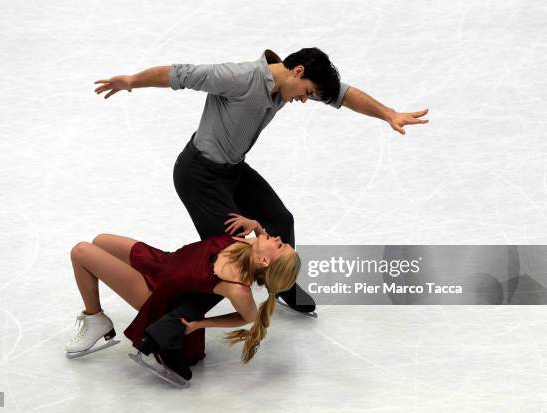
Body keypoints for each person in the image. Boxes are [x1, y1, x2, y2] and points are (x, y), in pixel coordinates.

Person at [92, 47, 429, 379]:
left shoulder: (286, 85)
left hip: (233, 170)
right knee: (227, 263)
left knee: (280, 220)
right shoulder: (240, 77)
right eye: (307, 92)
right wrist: (131, 81)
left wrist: (388, 113)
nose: (304, 100)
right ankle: (163, 335)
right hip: (200, 176)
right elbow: (177, 74)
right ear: (297, 72)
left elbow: (344, 94)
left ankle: (281, 283)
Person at [65, 214, 300, 385]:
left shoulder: (236, 287)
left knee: (81, 251)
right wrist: (257, 226)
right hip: (161, 262)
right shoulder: (250, 244)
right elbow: (263, 240)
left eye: (279, 244)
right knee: (100, 241)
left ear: (265, 262)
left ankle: (96, 319)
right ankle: (96, 316)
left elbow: (248, 317)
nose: (276, 237)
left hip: (154, 293)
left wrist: (200, 324)